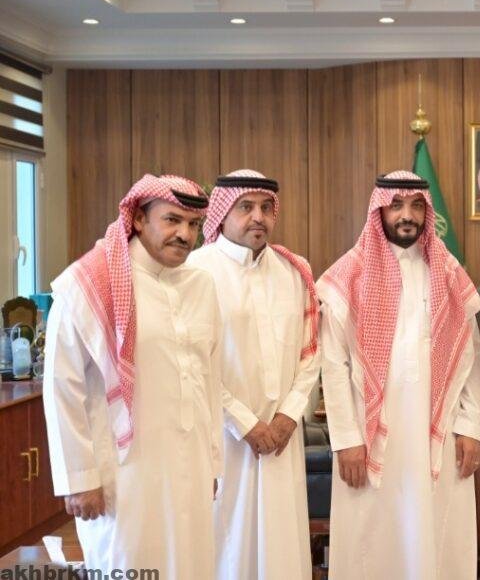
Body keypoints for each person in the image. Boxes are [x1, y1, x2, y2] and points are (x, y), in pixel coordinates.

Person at [42, 174, 222, 577]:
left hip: (191, 466)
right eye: (172, 220)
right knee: (128, 563)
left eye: (193, 224)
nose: (185, 234)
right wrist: (79, 478)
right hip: (124, 475)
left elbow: (210, 381)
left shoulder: (202, 286)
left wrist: (211, 464)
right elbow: (62, 387)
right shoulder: (89, 285)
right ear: (139, 219)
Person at [318, 171, 480, 579]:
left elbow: (470, 358)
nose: (406, 215)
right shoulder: (349, 275)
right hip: (369, 436)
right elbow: (334, 366)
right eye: (396, 205)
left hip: (439, 436)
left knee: (436, 534)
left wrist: (471, 427)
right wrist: (346, 439)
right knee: (372, 537)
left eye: (415, 206)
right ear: (379, 210)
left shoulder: (449, 273)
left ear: (428, 214)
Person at [189, 169, 321, 580]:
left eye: (266, 207)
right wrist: (244, 424)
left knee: (282, 548)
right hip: (223, 439)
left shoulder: (293, 271)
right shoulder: (195, 271)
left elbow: (311, 353)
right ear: (222, 212)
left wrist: (289, 415)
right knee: (226, 545)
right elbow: (194, 364)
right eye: (245, 207)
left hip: (282, 439)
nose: (258, 217)